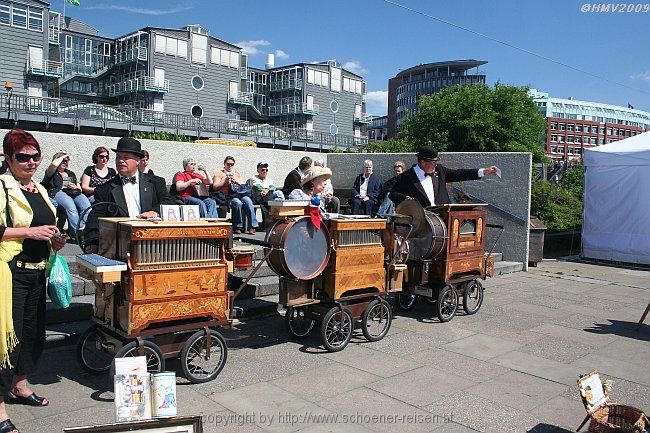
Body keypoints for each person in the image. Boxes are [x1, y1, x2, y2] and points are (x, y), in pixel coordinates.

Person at [0, 130, 67, 433]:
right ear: (7, 158)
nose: (30, 162)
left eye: (35, 156)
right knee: (6, 340)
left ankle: (20, 385)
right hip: (10, 273)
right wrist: (29, 233)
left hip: (37, 271)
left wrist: (55, 240)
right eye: (22, 157)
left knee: (31, 334)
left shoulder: (37, 188)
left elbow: (45, 227)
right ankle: (0, 407)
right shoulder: (2, 187)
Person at [84, 137, 176, 250]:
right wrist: (92, 243)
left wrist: (154, 212)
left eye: (126, 157)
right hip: (120, 246)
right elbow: (95, 218)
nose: (120, 161)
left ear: (137, 160)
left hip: (152, 244)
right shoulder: (104, 189)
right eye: (118, 157)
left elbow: (169, 201)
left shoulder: (156, 182)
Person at [390, 145, 499, 207]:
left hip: (445, 218)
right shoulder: (405, 177)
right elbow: (393, 194)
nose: (435, 165)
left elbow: (459, 174)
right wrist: (406, 199)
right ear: (423, 162)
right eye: (433, 162)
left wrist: (484, 171)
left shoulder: (440, 171)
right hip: (422, 223)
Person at [42, 152, 92, 239]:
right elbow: (53, 164)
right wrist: (64, 156)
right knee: (71, 207)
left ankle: (82, 228)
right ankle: (78, 234)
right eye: (63, 161)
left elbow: (79, 188)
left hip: (72, 192)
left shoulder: (70, 173)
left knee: (87, 206)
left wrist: (75, 186)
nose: (65, 162)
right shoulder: (52, 172)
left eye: (67, 161)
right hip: (56, 192)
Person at [213, 156, 259, 235]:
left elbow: (241, 185)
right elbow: (215, 187)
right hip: (227, 196)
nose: (230, 166)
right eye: (228, 164)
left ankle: (253, 226)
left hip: (239, 194)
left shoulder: (236, 173)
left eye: (232, 164)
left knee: (248, 200)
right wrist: (225, 180)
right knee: (237, 203)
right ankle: (237, 226)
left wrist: (235, 180)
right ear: (224, 164)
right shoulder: (219, 173)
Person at [248, 162, 284, 229]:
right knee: (277, 195)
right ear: (258, 170)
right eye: (262, 170)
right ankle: (271, 223)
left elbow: (273, 187)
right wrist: (268, 189)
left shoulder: (269, 179)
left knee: (279, 194)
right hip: (259, 197)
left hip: (268, 195)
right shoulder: (253, 178)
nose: (265, 171)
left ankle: (280, 218)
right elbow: (257, 187)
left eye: (266, 170)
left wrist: (267, 190)